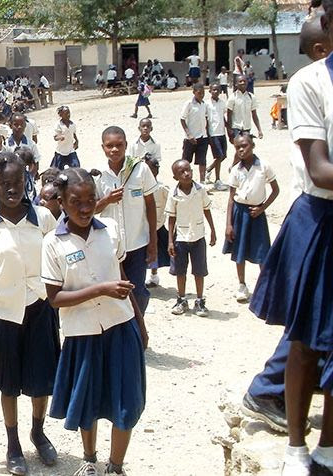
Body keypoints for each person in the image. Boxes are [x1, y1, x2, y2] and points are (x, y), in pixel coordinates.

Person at [247, 5, 333, 468]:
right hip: (321, 218)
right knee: (306, 335)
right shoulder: (311, 84)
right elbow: (319, 169)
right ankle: (293, 441)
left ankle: (327, 447)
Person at [42, 168, 147, 476]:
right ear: (62, 202)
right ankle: (89, 461)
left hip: (120, 326)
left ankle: (115, 467)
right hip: (82, 334)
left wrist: (140, 324)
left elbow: (122, 277)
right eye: (77, 201)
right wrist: (100, 290)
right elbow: (54, 298)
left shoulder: (110, 230)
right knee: (88, 400)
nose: (86, 208)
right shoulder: (52, 243)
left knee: (125, 399)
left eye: (91, 199)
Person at [0, 152, 59, 475]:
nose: (11, 189)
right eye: (4, 183)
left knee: (40, 380)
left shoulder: (44, 219)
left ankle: (38, 430)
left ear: (26, 181)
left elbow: (58, 263)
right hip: (4, 315)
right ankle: (13, 444)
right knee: (9, 384)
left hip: (39, 310)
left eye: (17, 182)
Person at [94, 126, 158, 315]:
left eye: (119, 145)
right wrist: (106, 200)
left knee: (138, 292)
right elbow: (89, 210)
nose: (114, 149)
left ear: (126, 145)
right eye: (109, 146)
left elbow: (151, 206)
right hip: (109, 246)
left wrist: (153, 241)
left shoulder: (140, 169)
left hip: (137, 243)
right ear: (103, 147)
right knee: (113, 293)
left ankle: (139, 332)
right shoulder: (97, 174)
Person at [223, 133, 279, 303]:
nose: (241, 150)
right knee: (239, 250)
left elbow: (276, 190)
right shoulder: (235, 170)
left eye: (244, 146)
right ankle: (242, 285)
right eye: (237, 147)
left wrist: (262, 208)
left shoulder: (263, 166)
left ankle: (265, 286)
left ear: (252, 146)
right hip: (239, 214)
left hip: (257, 214)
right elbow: (231, 199)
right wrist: (228, 225)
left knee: (262, 251)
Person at [165, 159, 217, 316]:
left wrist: (213, 230)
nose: (186, 173)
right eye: (181, 172)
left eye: (188, 170)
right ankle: (181, 299)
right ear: (176, 177)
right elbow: (171, 217)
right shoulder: (173, 194)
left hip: (198, 236)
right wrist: (170, 241)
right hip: (180, 238)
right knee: (180, 271)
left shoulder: (200, 190)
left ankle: (200, 300)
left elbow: (206, 209)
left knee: (199, 270)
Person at [143, 154, 169, 289]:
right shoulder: (139, 187)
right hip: (141, 226)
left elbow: (171, 204)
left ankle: (154, 276)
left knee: (156, 252)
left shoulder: (162, 189)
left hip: (157, 226)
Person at [180, 83, 211, 183]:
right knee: (186, 161)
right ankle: (184, 181)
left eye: (203, 93)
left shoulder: (204, 104)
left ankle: (202, 182)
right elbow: (182, 119)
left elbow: (206, 119)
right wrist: (189, 134)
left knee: (202, 161)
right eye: (199, 93)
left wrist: (208, 134)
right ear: (194, 92)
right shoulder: (189, 104)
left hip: (203, 137)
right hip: (191, 138)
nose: (201, 95)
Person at [205, 83, 230, 191]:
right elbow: (205, 120)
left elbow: (223, 117)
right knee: (218, 156)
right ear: (210, 91)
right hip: (213, 133)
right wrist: (208, 134)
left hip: (222, 133)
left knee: (223, 156)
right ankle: (217, 180)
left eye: (218, 90)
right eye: (213, 90)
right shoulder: (206, 104)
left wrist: (228, 128)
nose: (216, 92)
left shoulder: (222, 103)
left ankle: (209, 169)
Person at [227, 76, 264, 145]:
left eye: (244, 81)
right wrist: (229, 131)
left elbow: (254, 114)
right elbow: (229, 115)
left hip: (247, 128)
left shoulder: (251, 97)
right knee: (239, 148)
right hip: (236, 128)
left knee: (247, 148)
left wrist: (259, 130)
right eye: (240, 81)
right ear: (236, 84)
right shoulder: (232, 98)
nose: (243, 83)